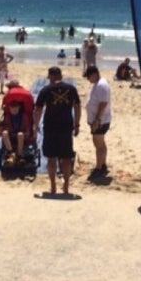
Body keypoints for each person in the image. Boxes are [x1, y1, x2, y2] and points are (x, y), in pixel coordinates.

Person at [33, 67, 81, 195]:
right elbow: (77, 107)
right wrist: (77, 124)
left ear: (51, 76)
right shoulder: (71, 89)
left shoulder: (46, 90)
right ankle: (65, 186)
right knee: (66, 158)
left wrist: (35, 125)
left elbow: (38, 109)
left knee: (51, 158)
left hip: (50, 127)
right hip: (66, 127)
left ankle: (53, 186)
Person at [84, 66, 112, 180]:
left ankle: (99, 168)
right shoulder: (99, 84)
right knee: (101, 144)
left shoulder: (101, 85)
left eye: (88, 77)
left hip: (100, 121)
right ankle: (103, 164)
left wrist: (97, 119)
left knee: (98, 145)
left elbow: (103, 103)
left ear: (95, 74)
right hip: (99, 120)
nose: (88, 80)